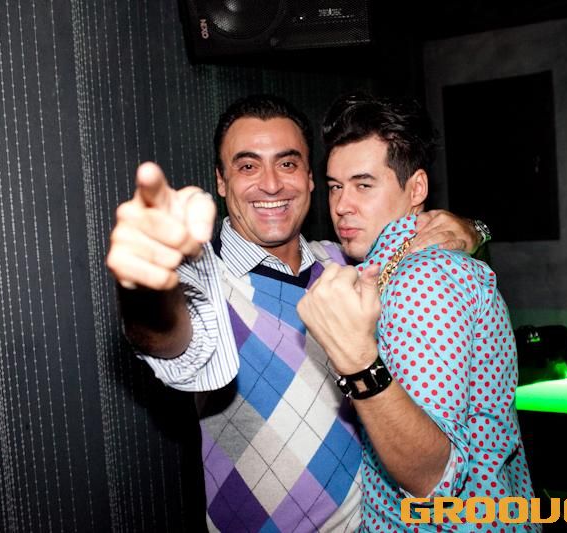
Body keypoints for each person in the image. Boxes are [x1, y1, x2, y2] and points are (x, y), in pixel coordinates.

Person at [105, 94, 481, 532]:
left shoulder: (348, 262)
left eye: (287, 164)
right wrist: (147, 288)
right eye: (248, 166)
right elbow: (170, 336)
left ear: (309, 178)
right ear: (222, 182)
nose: (271, 185)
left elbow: (426, 245)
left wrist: (473, 230)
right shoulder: (209, 285)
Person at [296, 93, 537, 531]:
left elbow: (435, 480)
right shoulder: (379, 267)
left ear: (417, 189)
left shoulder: (421, 279)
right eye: (334, 186)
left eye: (364, 185)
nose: (342, 205)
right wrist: (477, 230)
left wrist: (359, 364)